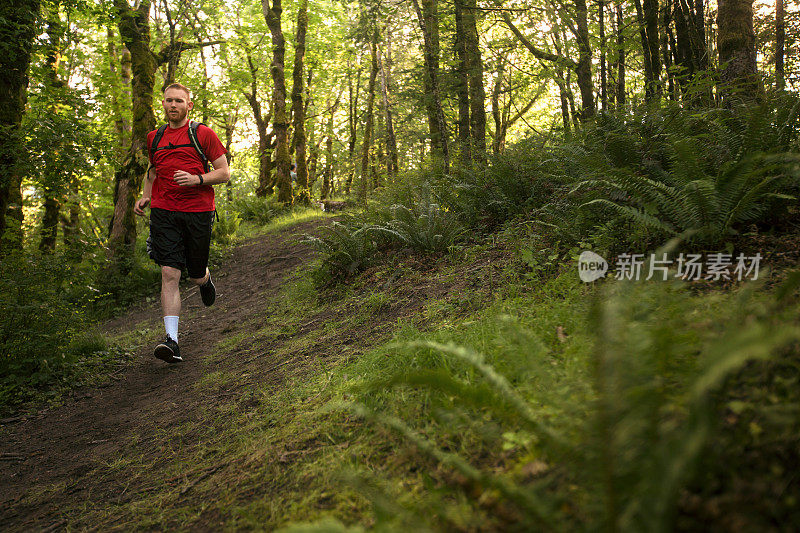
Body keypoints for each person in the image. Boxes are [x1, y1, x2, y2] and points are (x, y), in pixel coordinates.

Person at [134, 83, 230, 364]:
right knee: (169, 272)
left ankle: (205, 278)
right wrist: (145, 197)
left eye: (179, 101)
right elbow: (153, 171)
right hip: (164, 212)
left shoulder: (203, 134)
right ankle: (172, 341)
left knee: (195, 274)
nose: (173, 105)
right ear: (162, 104)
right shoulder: (155, 137)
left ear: (189, 105)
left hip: (198, 211)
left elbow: (223, 173)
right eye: (168, 101)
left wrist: (197, 179)